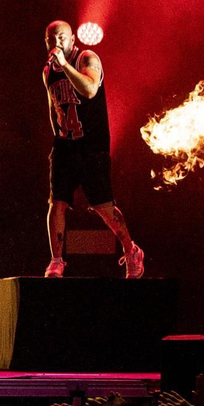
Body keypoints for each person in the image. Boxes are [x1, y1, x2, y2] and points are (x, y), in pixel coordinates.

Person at [42, 19, 143, 279]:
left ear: (72, 39)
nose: (56, 44)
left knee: (103, 207)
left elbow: (89, 90)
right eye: (51, 39)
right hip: (66, 145)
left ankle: (131, 250)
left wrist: (64, 66)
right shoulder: (47, 71)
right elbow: (53, 107)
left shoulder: (86, 58)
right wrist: (58, 137)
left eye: (61, 38)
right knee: (57, 203)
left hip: (92, 146)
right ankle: (56, 260)